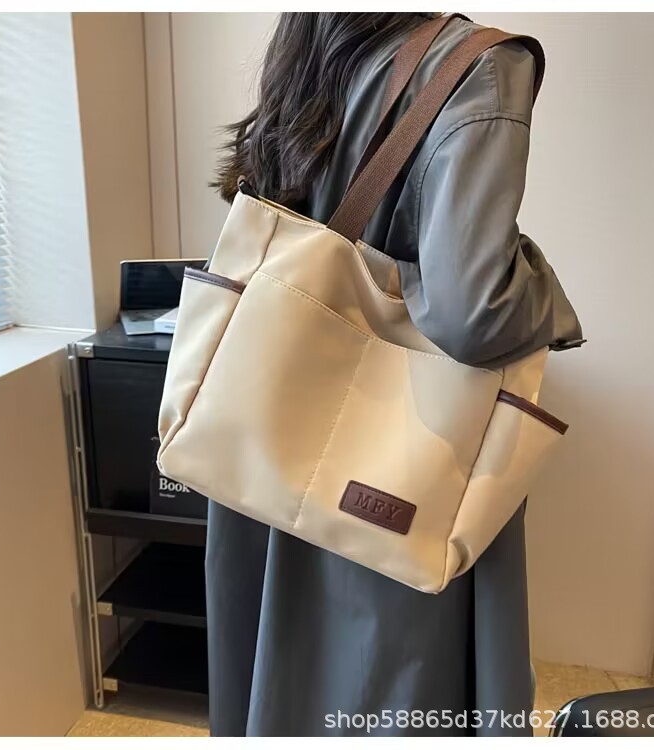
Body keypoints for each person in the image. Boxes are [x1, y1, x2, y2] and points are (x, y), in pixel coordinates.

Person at [205, 12, 583, 737]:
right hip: (393, 468)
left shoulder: (314, 37)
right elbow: (474, 311)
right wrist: (545, 291)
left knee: (278, 686)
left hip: (265, 441)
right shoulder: (480, 64)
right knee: (385, 696)